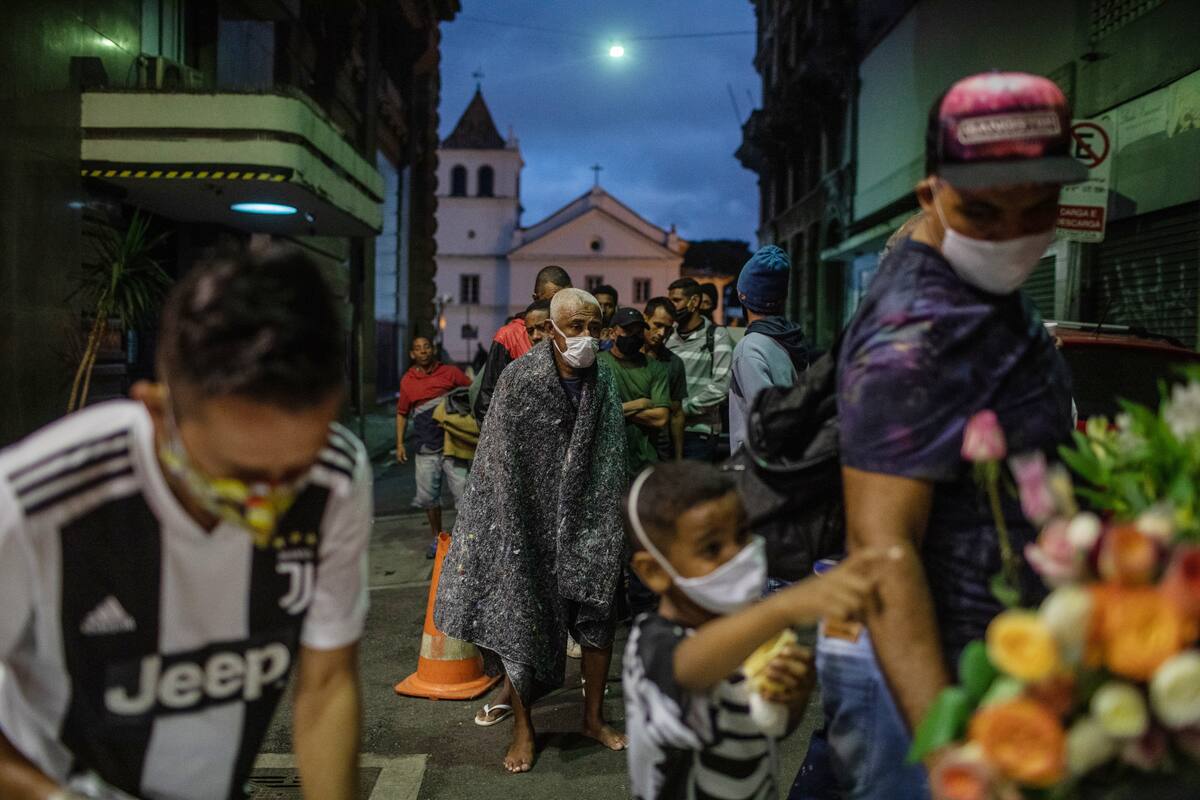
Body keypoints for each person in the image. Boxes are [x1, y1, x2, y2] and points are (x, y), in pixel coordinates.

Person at [0, 246, 370, 800]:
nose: (266, 508)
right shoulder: (37, 500)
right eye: (238, 475)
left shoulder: (335, 475)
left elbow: (325, 685)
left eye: (293, 470)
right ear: (157, 409)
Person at [829, 71, 1082, 797]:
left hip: (1011, 670)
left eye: (1039, 207)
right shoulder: (913, 340)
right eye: (982, 211)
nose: (1012, 234)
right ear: (929, 197)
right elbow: (883, 550)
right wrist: (949, 757)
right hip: (944, 691)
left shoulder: (985, 292)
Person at [435, 288, 629, 773]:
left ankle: (592, 718)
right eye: (577, 327)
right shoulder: (520, 379)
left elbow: (611, 455)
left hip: (590, 517)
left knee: (597, 617)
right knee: (521, 620)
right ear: (550, 331)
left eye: (594, 327)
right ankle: (524, 727)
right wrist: (509, 523)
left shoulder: (604, 380)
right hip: (528, 521)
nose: (587, 338)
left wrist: (608, 518)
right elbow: (499, 460)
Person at [622, 462, 888, 800]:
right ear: (655, 571)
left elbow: (766, 730)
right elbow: (685, 668)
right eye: (712, 548)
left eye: (743, 533)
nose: (738, 553)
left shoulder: (748, 636)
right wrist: (785, 606)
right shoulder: (650, 642)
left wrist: (792, 699)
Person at [728, 246, 809, 455]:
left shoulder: (749, 347)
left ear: (742, 294)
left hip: (759, 466)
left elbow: (766, 420)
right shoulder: (793, 338)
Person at [395, 336, 471, 558]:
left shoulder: (450, 373)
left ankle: (467, 540)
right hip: (425, 446)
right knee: (429, 497)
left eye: (426, 347)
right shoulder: (408, 380)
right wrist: (400, 444)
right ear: (412, 354)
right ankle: (437, 539)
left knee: (464, 493)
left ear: (433, 349)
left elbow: (472, 393)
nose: (423, 351)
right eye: (418, 348)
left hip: (453, 445)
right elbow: (402, 414)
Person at [473, 266, 572, 423]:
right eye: (554, 299)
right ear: (535, 298)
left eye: (566, 298)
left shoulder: (575, 331)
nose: (560, 305)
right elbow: (488, 399)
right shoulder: (509, 335)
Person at [599, 308, 671, 481]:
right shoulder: (598, 363)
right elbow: (595, 413)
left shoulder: (655, 368)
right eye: (627, 331)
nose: (634, 336)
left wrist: (614, 410)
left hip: (643, 462)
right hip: (605, 459)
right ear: (612, 333)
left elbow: (660, 417)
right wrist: (639, 403)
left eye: (638, 332)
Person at [665, 278, 732, 462]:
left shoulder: (716, 336)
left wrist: (682, 410)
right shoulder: (668, 335)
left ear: (694, 302)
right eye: (670, 301)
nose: (672, 307)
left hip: (700, 434)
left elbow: (721, 386)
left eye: (676, 301)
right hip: (667, 431)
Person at [643, 298, 688, 461]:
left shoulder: (674, 363)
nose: (662, 333)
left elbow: (676, 414)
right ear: (645, 319)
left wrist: (678, 457)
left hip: (659, 450)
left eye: (667, 329)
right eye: (657, 325)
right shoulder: (625, 356)